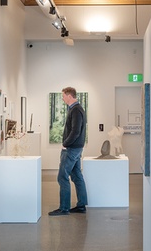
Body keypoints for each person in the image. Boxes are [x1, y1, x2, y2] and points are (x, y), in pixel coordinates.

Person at [49, 87, 88, 216]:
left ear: (69, 96)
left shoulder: (76, 110)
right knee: (77, 176)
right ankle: (81, 205)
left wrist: (65, 144)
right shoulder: (77, 109)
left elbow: (75, 131)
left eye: (63, 96)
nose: (62, 98)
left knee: (62, 177)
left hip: (71, 149)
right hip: (76, 148)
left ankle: (64, 208)